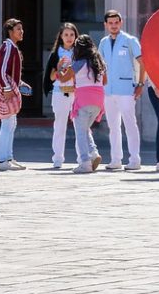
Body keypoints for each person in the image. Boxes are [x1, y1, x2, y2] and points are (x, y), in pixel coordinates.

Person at [98, 10, 145, 170]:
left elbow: (142, 62)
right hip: (108, 91)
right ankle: (116, 159)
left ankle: (134, 159)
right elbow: (100, 66)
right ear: (106, 25)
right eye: (110, 23)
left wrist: (140, 84)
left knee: (130, 124)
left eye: (116, 23)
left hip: (126, 90)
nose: (113, 26)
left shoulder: (130, 40)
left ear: (121, 23)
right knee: (113, 126)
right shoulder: (103, 42)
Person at [0, 18, 32, 171]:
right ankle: (2, 160)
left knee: (11, 123)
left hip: (5, 87)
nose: (21, 32)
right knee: (7, 124)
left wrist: (19, 83)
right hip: (3, 89)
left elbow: (9, 71)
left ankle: (8, 157)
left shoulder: (12, 47)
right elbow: (1, 70)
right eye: (18, 29)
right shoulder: (8, 47)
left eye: (22, 29)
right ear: (10, 31)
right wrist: (7, 88)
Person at [62, 34, 106, 174]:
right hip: (98, 101)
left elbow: (64, 78)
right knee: (85, 129)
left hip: (83, 101)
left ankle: (85, 162)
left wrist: (59, 68)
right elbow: (104, 81)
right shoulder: (100, 62)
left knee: (80, 132)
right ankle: (93, 153)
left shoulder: (79, 62)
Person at [43, 23, 80, 169]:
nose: (69, 38)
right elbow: (51, 77)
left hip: (77, 93)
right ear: (61, 36)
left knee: (80, 126)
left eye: (72, 34)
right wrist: (59, 68)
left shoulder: (80, 53)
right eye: (66, 35)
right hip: (60, 92)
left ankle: (82, 157)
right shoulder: (55, 54)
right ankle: (58, 158)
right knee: (59, 125)